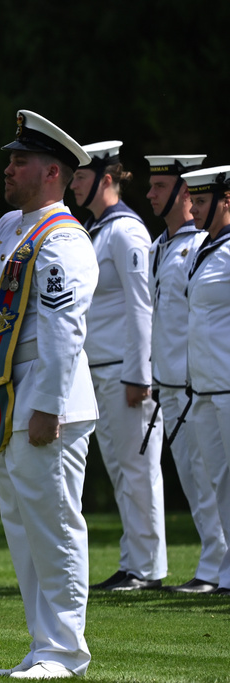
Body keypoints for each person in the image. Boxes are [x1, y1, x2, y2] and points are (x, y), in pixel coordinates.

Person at [0, 110, 98, 679]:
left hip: (43, 398)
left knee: (53, 524)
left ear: (52, 172)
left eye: (19, 161)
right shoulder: (7, 227)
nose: (7, 169)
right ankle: (41, 643)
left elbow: (64, 331)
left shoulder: (65, 240)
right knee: (23, 528)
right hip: (5, 393)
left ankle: (63, 650)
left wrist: (48, 407)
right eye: (9, 159)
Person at [69, 142, 166, 591]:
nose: (73, 185)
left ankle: (145, 567)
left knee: (136, 468)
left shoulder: (126, 232)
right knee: (120, 469)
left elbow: (142, 306)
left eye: (81, 177)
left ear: (107, 178)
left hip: (122, 372)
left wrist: (139, 374)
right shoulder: (98, 230)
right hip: (99, 369)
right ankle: (135, 562)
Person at [144, 154, 225, 593]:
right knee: (196, 479)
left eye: (160, 187)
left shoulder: (200, 245)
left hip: (198, 381)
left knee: (210, 475)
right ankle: (213, 563)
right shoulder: (161, 246)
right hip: (172, 382)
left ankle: (216, 568)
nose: (151, 194)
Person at [183, 165, 230, 596]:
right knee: (219, 482)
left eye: (199, 201)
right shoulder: (205, 249)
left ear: (225, 202)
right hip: (206, 387)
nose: (192, 208)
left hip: (228, 387)